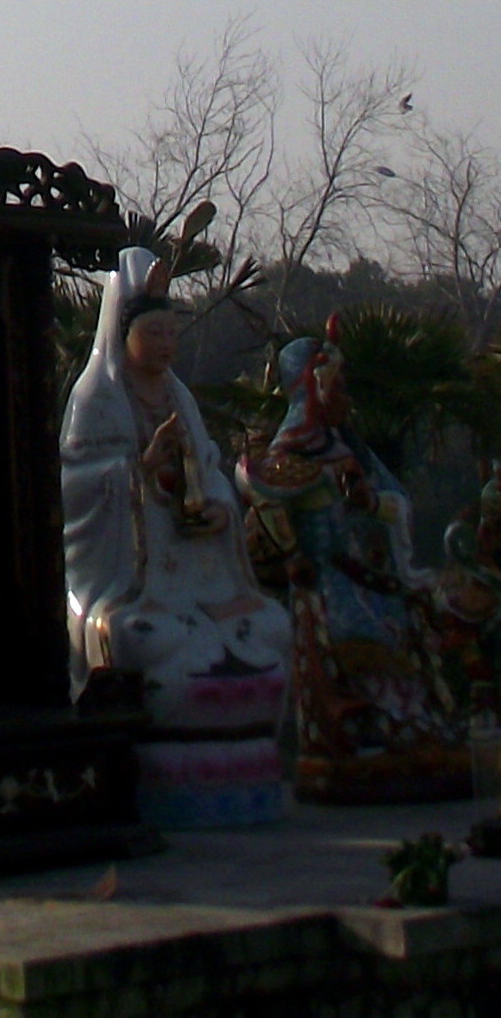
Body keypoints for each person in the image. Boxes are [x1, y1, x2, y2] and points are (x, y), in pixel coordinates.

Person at [238, 317, 465, 800]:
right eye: (337, 386)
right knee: (361, 642)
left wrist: (366, 502)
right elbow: (267, 503)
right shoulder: (289, 452)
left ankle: (408, 731)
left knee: (410, 628)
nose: (346, 396)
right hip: (327, 585)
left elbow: (391, 500)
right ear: (313, 386)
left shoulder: (344, 445)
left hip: (369, 576)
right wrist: (296, 548)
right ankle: (366, 736)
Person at [63, 249, 289, 729]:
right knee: (135, 637)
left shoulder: (179, 396)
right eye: (153, 333)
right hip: (134, 575)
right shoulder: (96, 398)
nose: (166, 344)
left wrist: (221, 511)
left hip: (197, 567)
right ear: (122, 337)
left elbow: (209, 470)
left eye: (172, 333)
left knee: (271, 624)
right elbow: (75, 489)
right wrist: (141, 469)